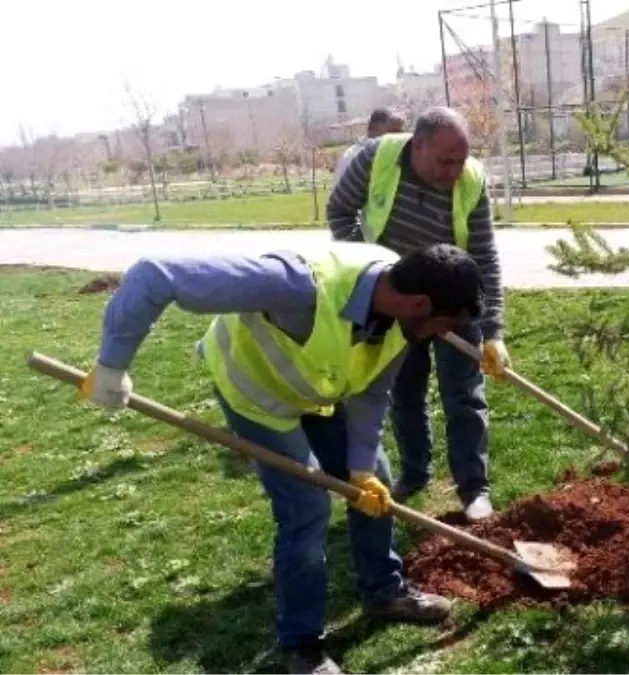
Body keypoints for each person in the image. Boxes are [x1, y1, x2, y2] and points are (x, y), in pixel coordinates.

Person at [78, 242, 484, 674]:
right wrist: (111, 366)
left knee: (377, 479)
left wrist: (360, 469)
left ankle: (384, 591)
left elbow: (372, 392)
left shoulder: (401, 314)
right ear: (420, 303)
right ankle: (301, 643)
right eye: (445, 323)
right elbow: (155, 274)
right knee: (306, 509)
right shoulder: (295, 284)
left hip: (319, 391)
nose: (445, 334)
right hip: (256, 395)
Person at [327, 106, 507, 522]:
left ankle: (473, 488)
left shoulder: (471, 180)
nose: (454, 172)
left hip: (453, 295)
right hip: (399, 298)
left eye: (461, 161)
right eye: (445, 161)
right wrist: (376, 272)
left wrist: (492, 330)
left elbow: (485, 256)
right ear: (418, 145)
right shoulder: (375, 159)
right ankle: (415, 472)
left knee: (464, 395)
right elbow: (339, 211)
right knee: (403, 391)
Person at [333, 108, 406, 185]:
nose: (397, 137)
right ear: (375, 127)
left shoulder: (350, 152)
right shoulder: (370, 155)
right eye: (394, 131)